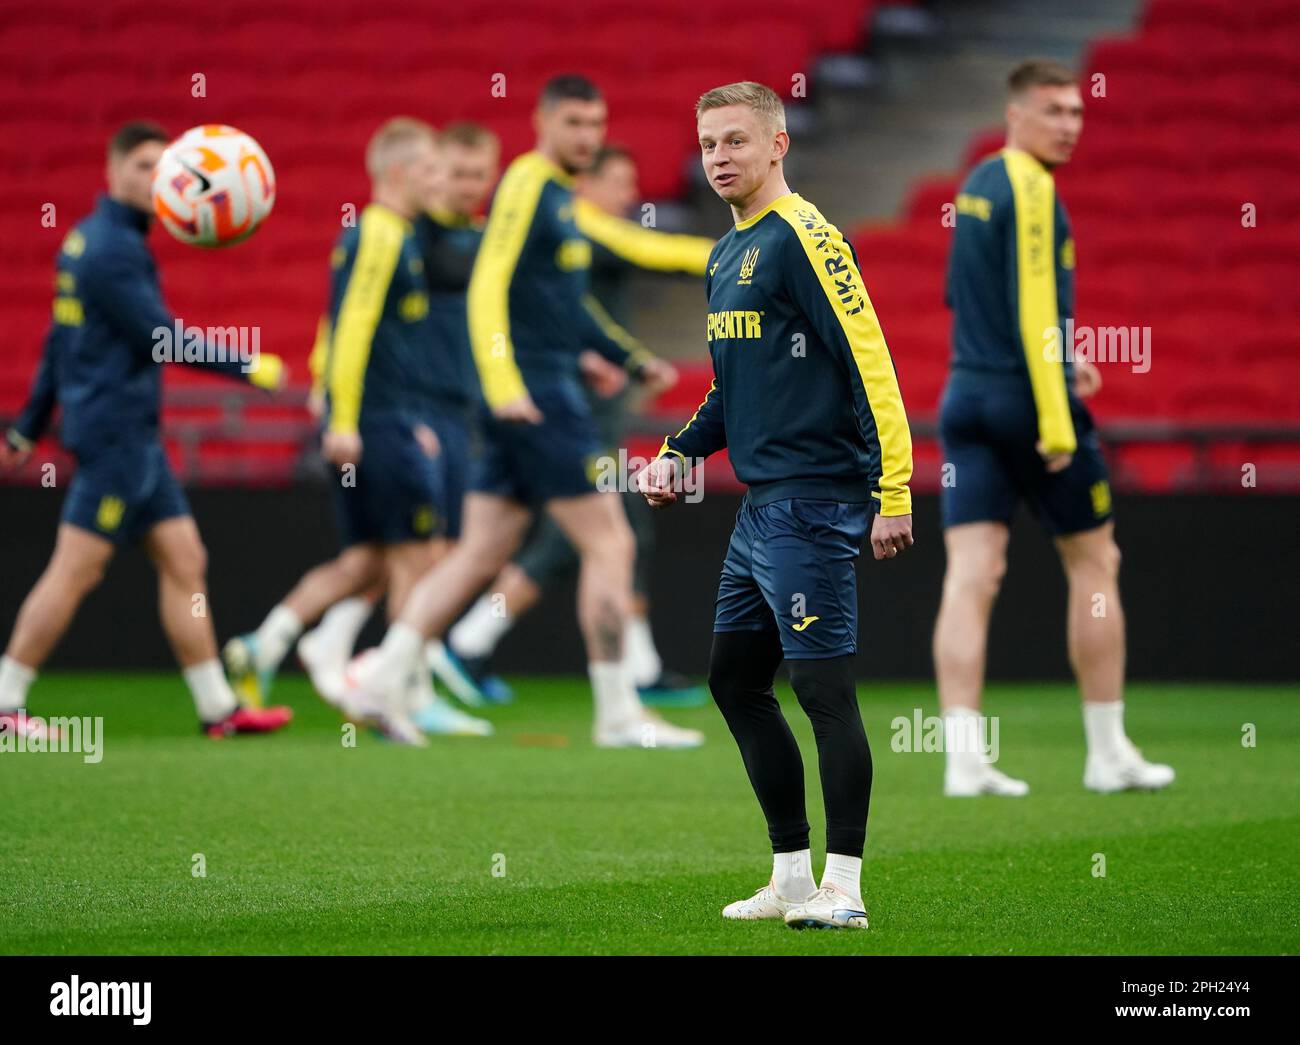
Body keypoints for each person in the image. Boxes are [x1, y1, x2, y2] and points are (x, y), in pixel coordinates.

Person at [344, 75, 701, 749]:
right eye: (574, 124)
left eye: (596, 125)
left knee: (480, 553)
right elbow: (490, 282)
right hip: (538, 399)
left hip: (533, 396)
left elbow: (565, 304)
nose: (587, 138)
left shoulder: (560, 200)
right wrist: (506, 381)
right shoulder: (526, 186)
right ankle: (619, 710)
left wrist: (625, 357)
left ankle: (384, 677)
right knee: (611, 541)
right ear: (541, 121)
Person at [639, 82, 914, 929]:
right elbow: (732, 387)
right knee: (733, 681)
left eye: (735, 142)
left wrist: (893, 489)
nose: (719, 158)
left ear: (778, 145)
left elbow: (872, 363)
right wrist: (679, 451)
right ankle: (792, 875)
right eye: (708, 145)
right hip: (761, 509)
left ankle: (848, 887)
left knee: (824, 691)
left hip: (818, 502)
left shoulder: (807, 239)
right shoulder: (726, 253)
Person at [0, 121, 292, 739]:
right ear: (111, 170)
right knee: (76, 568)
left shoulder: (89, 241)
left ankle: (219, 709)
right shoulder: (112, 250)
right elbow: (160, 337)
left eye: (164, 166)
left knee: (186, 559)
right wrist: (245, 364)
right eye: (142, 165)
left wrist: (27, 428)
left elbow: (59, 340)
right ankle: (5, 700)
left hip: (132, 434)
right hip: (113, 436)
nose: (155, 177)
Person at [932, 59, 1174, 797]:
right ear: (1016, 114)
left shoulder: (973, 183)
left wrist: (1065, 362)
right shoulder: (1032, 186)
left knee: (971, 576)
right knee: (1095, 563)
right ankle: (1107, 752)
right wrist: (1057, 416)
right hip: (1027, 404)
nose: (1069, 125)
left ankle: (963, 761)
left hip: (965, 396)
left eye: (1076, 112)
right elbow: (1037, 304)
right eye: (1053, 112)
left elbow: (959, 294)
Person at [224, 118, 491, 742]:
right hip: (382, 420)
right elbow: (351, 328)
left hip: (386, 417)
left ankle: (268, 644)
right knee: (419, 557)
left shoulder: (393, 234)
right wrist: (345, 417)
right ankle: (400, 695)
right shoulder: (379, 234)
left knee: (369, 558)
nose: (441, 181)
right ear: (400, 175)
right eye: (430, 169)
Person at [444, 143, 715, 706]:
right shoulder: (580, 224)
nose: (631, 195)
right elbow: (652, 250)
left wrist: (629, 358)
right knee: (588, 535)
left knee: (604, 529)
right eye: (620, 182)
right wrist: (746, 250)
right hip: (570, 404)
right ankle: (470, 640)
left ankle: (635, 664)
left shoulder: (570, 231)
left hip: (582, 399)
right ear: (587, 185)